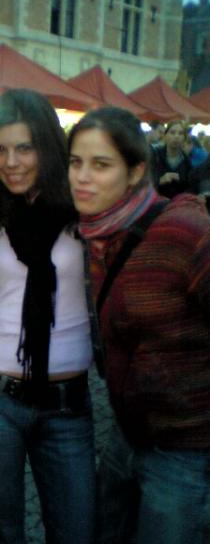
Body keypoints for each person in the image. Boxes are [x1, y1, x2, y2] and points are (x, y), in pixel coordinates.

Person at [0, 89, 97, 544]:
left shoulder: (85, 210)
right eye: (0, 149)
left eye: (24, 148)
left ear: (48, 148)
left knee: (77, 532)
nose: (11, 162)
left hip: (69, 405)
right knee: (2, 533)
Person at [68, 106, 210, 544]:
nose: (81, 177)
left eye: (100, 165)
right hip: (125, 435)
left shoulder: (186, 232)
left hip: (185, 454)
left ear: (134, 173)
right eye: (75, 162)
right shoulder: (95, 235)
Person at [151, 119, 192, 198]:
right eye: (172, 132)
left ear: (184, 138)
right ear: (165, 136)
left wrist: (181, 180)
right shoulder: (155, 156)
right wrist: (160, 180)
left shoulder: (187, 161)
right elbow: (144, 183)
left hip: (178, 202)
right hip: (155, 200)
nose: (176, 136)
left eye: (180, 133)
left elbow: (190, 187)